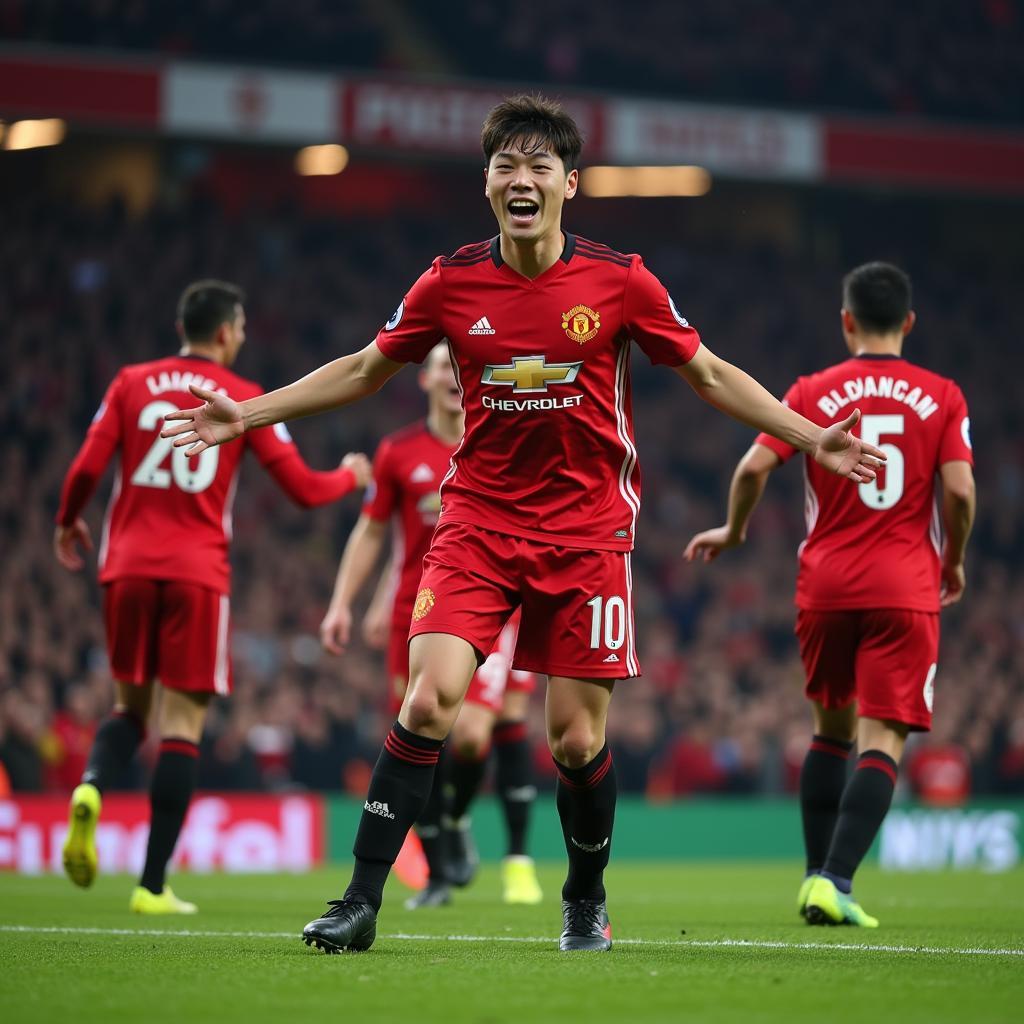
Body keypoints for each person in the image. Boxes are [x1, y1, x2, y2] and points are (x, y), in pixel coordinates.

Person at [161, 97, 885, 952]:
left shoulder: (621, 280)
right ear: (488, 184)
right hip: (475, 524)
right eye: (507, 166)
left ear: (569, 185)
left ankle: (584, 896)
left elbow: (712, 374)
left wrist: (808, 439)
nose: (522, 179)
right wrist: (247, 415)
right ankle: (360, 899)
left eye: (540, 166)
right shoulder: (450, 281)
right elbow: (362, 369)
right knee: (427, 699)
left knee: (576, 741)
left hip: (587, 534)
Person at [55, 279, 371, 913]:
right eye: (243, 329)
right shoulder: (242, 398)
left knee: (129, 710)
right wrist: (350, 476)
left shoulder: (130, 381)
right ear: (226, 331)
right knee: (182, 727)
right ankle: (150, 887)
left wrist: (68, 520)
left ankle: (91, 786)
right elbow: (304, 490)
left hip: (126, 566)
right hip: (197, 573)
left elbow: (88, 466)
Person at [685, 262, 975, 927]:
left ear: (846, 321)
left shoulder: (815, 390)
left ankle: (815, 876)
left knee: (829, 731)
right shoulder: (943, 395)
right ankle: (836, 880)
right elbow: (959, 491)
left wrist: (734, 530)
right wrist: (952, 560)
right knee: (884, 736)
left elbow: (754, 464)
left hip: (825, 584)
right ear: (907, 323)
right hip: (904, 584)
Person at [320, 342, 543, 909]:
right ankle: (439, 866)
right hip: (410, 612)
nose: (450, 377)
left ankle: (461, 820)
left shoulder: (495, 442)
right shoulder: (398, 452)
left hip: (490, 605)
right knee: (419, 732)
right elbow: (373, 532)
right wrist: (346, 602)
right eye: (440, 367)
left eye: (457, 367)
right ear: (424, 380)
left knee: (470, 735)